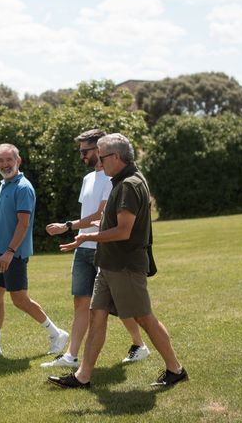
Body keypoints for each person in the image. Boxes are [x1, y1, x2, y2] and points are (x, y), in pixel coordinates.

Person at [48, 133, 188, 388]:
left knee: (144, 318)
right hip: (109, 265)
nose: (98, 163)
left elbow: (123, 231)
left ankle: (176, 370)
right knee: (96, 316)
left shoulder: (128, 186)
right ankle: (82, 376)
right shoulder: (120, 181)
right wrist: (81, 229)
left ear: (116, 157)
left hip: (125, 266)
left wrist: (85, 239)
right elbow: (110, 220)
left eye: (101, 157)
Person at [41, 129, 150, 369]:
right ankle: (71, 356)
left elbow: (100, 215)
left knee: (121, 305)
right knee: (82, 303)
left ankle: (139, 344)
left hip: (103, 247)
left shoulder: (114, 179)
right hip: (83, 247)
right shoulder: (88, 179)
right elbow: (87, 213)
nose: (83, 156)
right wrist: (78, 235)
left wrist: (68, 226)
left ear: (100, 149)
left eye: (86, 151)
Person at [0, 143, 69, 357]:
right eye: (1, 160)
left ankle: (56, 333)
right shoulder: (4, 184)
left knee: (20, 299)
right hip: (0, 251)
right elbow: (2, 222)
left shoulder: (23, 187)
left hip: (13, 253)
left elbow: (23, 224)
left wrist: (9, 252)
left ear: (18, 161)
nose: (5, 164)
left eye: (9, 160)